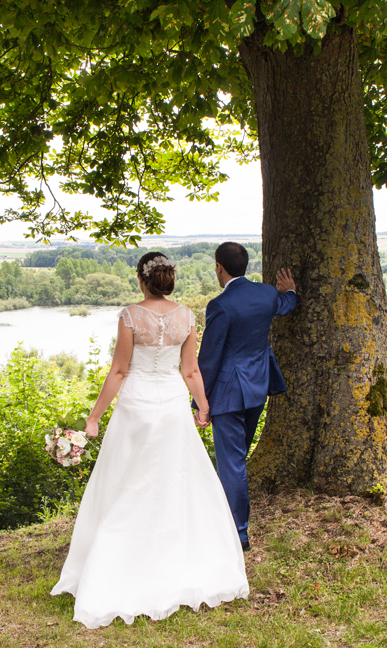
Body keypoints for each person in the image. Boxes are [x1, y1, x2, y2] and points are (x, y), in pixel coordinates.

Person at [50, 251, 249, 629]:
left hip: (137, 409)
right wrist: (203, 407)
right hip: (173, 406)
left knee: (127, 483)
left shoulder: (130, 316)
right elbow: (190, 370)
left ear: (142, 280)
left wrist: (94, 418)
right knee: (176, 482)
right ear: (169, 281)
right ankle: (179, 559)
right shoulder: (187, 316)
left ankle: (118, 565)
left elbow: (120, 371)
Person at [194, 241, 297, 552]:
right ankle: (231, 524)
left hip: (226, 396)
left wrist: (200, 403)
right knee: (237, 462)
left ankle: (238, 534)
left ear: (219, 268)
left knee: (233, 464)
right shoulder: (267, 293)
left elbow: (209, 359)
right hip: (257, 390)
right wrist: (290, 291)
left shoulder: (220, 305)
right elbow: (285, 306)